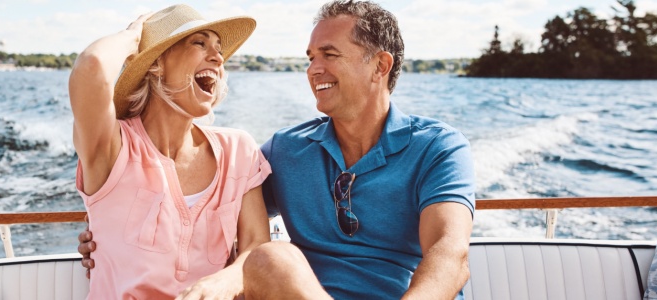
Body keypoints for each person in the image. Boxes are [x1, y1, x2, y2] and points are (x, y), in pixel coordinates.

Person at [80, 1, 475, 299]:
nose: (312, 68)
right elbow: (216, 213)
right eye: (310, 57)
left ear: (380, 65)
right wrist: (112, 228)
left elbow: (448, 253)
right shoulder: (285, 150)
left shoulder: (438, 147)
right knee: (273, 258)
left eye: (329, 55)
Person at [69, 4, 270, 300]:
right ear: (156, 64)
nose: (217, 57)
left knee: (282, 259)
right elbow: (92, 66)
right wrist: (132, 37)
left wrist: (223, 283)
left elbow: (258, 248)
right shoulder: (113, 146)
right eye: (199, 43)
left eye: (219, 49)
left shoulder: (238, 149)